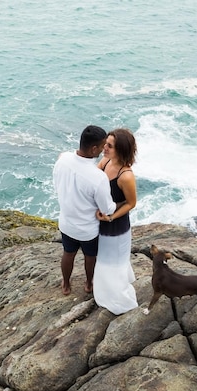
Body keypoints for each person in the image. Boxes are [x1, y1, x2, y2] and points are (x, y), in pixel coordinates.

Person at [53, 125, 117, 295]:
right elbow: (107, 208)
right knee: (90, 257)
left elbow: (57, 183)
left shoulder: (63, 160)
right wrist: (122, 203)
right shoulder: (97, 177)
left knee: (68, 253)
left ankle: (66, 284)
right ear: (93, 148)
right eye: (103, 145)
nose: (105, 148)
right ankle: (89, 284)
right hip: (87, 229)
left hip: (66, 223)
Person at [94, 128, 139, 314]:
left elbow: (131, 203)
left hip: (117, 225)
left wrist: (111, 217)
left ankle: (116, 294)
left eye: (109, 146)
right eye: (105, 144)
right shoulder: (105, 162)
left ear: (120, 150)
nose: (104, 148)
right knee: (104, 258)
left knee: (114, 261)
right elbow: (93, 181)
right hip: (101, 220)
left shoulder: (126, 175)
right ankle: (103, 287)